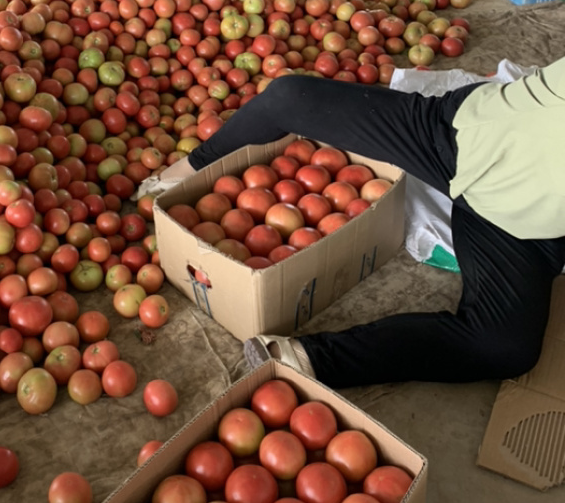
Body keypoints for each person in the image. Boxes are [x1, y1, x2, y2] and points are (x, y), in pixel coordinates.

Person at [156, 64, 565, 389]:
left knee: (505, 348)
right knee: (293, 99)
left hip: (537, 222)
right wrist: (190, 168)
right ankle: (187, 170)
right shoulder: (474, 136)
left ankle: (314, 359)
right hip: (480, 148)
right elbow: (289, 97)